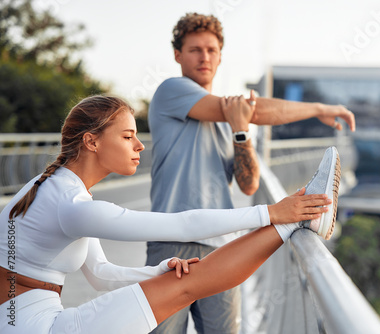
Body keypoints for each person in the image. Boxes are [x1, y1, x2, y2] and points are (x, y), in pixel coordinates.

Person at [0, 95, 338, 334]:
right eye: (128, 136)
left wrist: (159, 270)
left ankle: (297, 216)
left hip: (25, 322)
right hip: (38, 327)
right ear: (91, 141)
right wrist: (270, 212)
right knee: (189, 284)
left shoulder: (56, 189)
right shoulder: (70, 205)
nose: (140, 146)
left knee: (178, 279)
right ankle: (297, 218)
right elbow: (183, 224)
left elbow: (101, 274)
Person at [147, 12, 356, 334]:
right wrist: (320, 109)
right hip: (173, 242)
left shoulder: (230, 119)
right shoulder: (172, 91)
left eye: (212, 50)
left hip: (222, 246)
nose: (205, 57)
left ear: (220, 56)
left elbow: (249, 183)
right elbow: (259, 111)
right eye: (195, 49)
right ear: (178, 55)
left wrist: (241, 131)